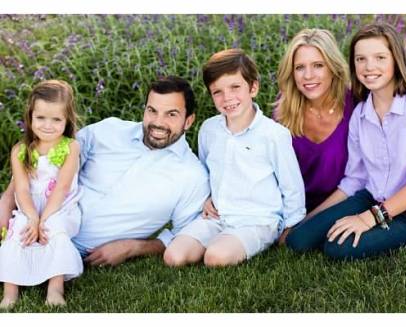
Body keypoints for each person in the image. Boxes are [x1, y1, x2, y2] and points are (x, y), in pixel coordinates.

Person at [0, 76, 209, 268]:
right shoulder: (108, 130)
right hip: (34, 225)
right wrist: (6, 206)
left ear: (189, 121)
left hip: (72, 251)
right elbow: (41, 164)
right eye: (152, 110)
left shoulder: (192, 176)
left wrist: (132, 248)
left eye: (171, 114)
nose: (158, 122)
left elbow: (181, 234)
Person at [285, 23, 406, 260]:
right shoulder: (361, 113)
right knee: (298, 241)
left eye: (380, 57)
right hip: (371, 197)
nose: (369, 67)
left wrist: (368, 218)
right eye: (361, 59)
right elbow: (355, 179)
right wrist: (308, 221)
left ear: (396, 60)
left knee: (338, 248)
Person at [164, 49, 306, 267]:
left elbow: (291, 185)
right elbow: (205, 172)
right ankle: (217, 240)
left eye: (235, 87)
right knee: (174, 256)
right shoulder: (209, 129)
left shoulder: (273, 135)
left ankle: (226, 244)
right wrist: (206, 198)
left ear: (253, 87)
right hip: (218, 216)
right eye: (217, 92)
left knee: (215, 257)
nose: (227, 98)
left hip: (257, 220)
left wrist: (290, 227)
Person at [0, 80, 83, 308]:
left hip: (60, 206)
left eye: (56, 119)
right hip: (28, 205)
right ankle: (10, 292)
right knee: (18, 231)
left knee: (52, 228)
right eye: (41, 118)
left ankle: (55, 288)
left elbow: (62, 188)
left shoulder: (71, 147)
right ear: (30, 117)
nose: (48, 125)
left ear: (67, 120)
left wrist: (43, 218)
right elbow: (22, 189)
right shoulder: (20, 150)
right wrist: (32, 217)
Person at [274, 28, 353, 220]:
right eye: (300, 67)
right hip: (297, 207)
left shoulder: (356, 105)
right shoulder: (283, 109)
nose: (308, 76)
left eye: (318, 65)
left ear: (333, 68)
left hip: (346, 202)